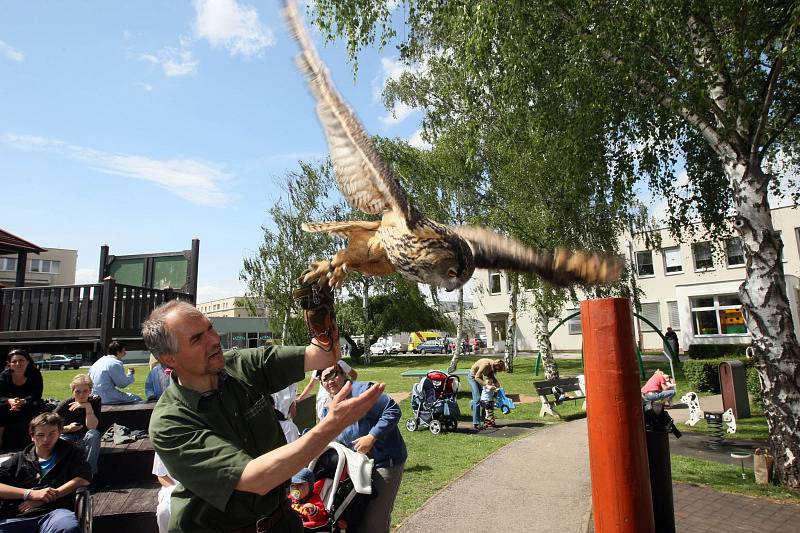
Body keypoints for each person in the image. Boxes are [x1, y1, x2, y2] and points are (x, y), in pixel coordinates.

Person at [142, 297, 384, 533]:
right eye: (197, 339)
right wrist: (332, 425)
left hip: (282, 520)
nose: (214, 340)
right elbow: (257, 479)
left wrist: (319, 306)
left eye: (210, 328)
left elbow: (324, 355)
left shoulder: (241, 366)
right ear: (169, 358)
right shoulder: (171, 421)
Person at [320, 364, 406, 533]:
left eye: (333, 374)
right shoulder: (328, 407)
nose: (330, 381)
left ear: (344, 374)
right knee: (355, 517)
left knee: (375, 520)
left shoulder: (363, 391)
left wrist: (372, 437)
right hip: (355, 468)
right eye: (325, 378)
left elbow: (392, 409)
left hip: (384, 463)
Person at [0, 412, 92, 533]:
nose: (46, 439)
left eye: (52, 434)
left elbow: (83, 478)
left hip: (55, 513)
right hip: (17, 515)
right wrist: (30, 494)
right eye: (40, 435)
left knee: (68, 528)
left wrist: (46, 498)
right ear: (32, 436)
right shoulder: (19, 459)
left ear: (59, 433)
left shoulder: (72, 454)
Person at [54, 375, 101, 475]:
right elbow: (48, 425)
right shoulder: (66, 403)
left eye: (85, 391)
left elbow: (92, 427)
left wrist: (88, 407)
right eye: (77, 391)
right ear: (72, 391)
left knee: (94, 434)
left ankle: (88, 473)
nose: (81, 395)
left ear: (90, 391)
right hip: (67, 437)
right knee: (58, 440)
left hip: (85, 438)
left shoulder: (94, 401)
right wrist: (68, 428)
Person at [0, 349, 44, 451]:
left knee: (37, 404)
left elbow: (37, 394)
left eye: (21, 360)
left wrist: (23, 401)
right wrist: (10, 401)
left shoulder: (35, 374)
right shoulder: (4, 375)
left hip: (27, 403)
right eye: (14, 361)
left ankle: (33, 439)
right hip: (9, 405)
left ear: (27, 361)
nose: (18, 363)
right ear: (9, 364)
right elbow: (1, 395)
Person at [468, 358, 505, 430]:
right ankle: (476, 423)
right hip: (473, 377)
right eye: (497, 370)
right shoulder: (485, 365)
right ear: (496, 366)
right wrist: (486, 385)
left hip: (479, 377)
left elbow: (490, 375)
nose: (497, 371)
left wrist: (496, 383)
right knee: (478, 399)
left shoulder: (492, 365)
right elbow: (477, 377)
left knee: (485, 400)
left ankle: (486, 420)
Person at [152, 452, 177, 533]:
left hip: (197, 487)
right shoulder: (163, 442)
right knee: (163, 512)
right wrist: (175, 490)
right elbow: (161, 476)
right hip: (172, 488)